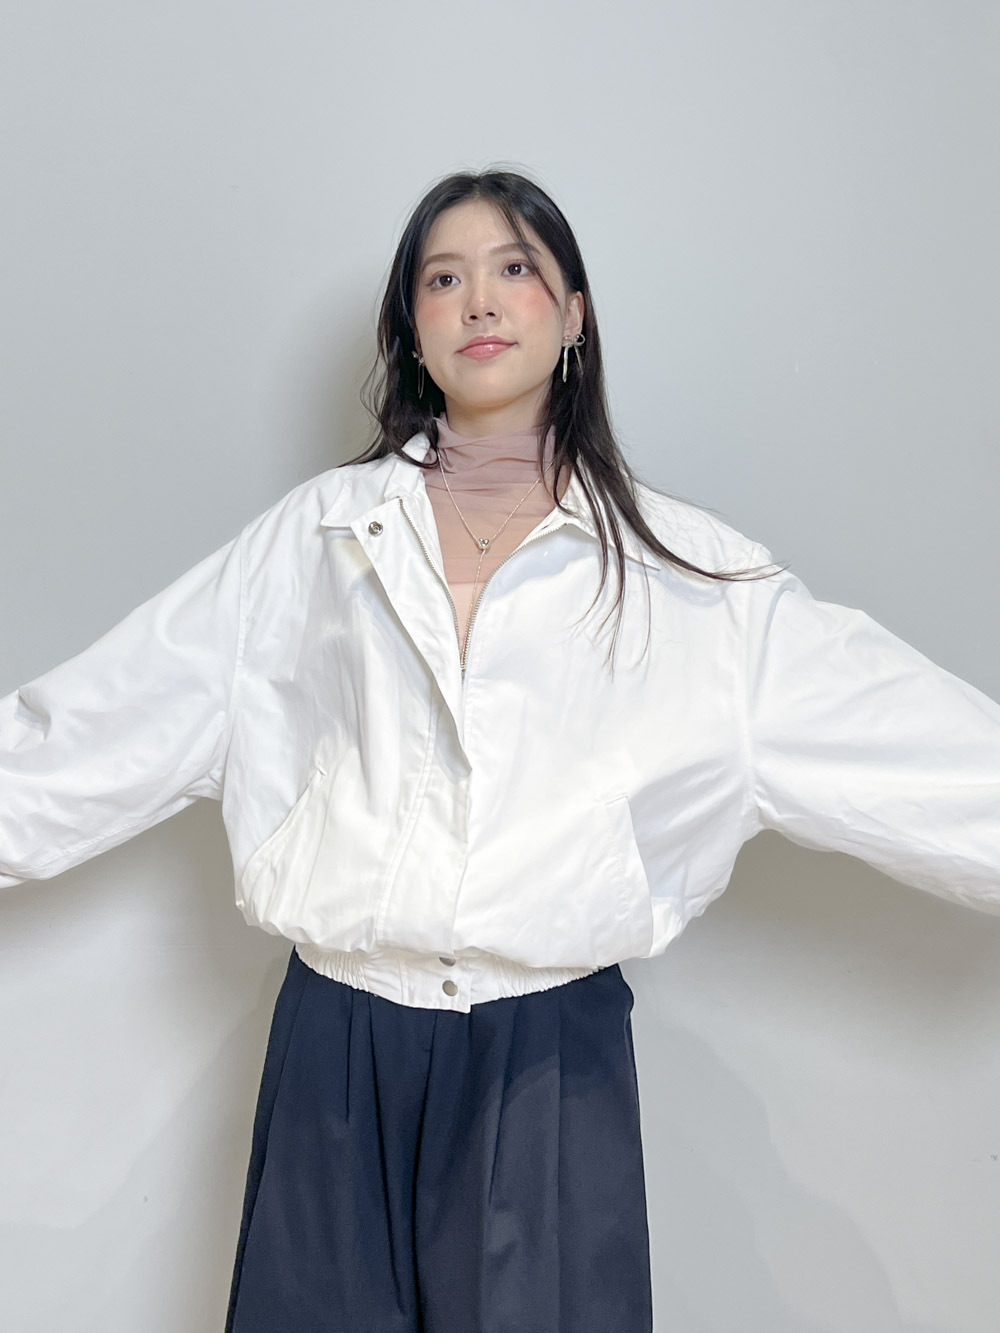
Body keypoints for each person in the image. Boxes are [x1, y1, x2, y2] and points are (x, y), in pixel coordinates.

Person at [1, 167, 998, 1332]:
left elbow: (920, 754)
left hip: (549, 1065)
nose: (477, 298)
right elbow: (90, 732)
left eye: (513, 267)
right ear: (412, 330)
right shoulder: (310, 543)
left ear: (572, 313)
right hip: (336, 1048)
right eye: (442, 278)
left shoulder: (694, 582)